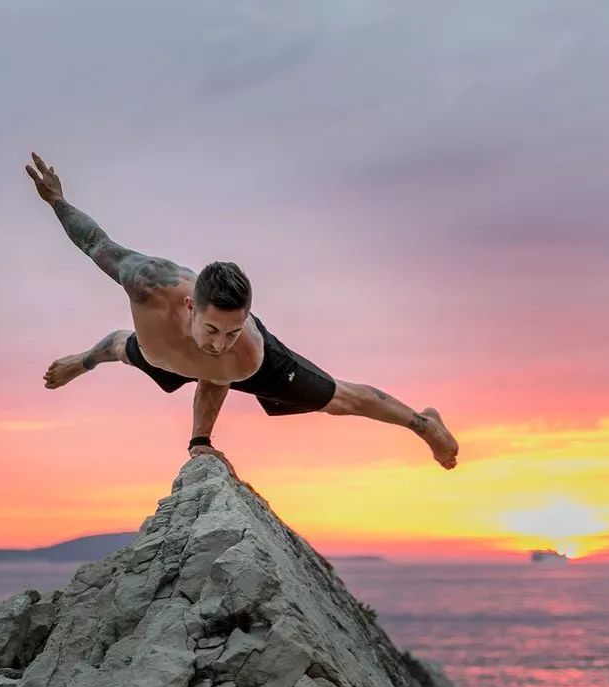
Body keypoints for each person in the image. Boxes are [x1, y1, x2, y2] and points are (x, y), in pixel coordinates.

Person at [26, 153, 459, 470]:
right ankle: (80, 362)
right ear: (191, 305)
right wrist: (57, 201)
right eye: (213, 328)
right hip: (164, 348)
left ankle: (423, 424)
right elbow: (94, 243)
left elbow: (215, 378)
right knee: (122, 347)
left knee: (338, 400)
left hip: (250, 367)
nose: (219, 342)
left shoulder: (247, 352)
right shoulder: (149, 282)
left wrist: (200, 440)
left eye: (230, 332)